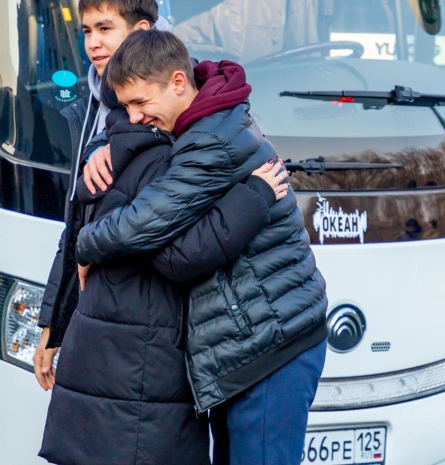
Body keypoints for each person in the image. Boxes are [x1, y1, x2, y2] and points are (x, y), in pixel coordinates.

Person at [77, 29, 329, 465]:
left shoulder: (209, 140)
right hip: (247, 345)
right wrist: (100, 146)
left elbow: (143, 222)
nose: (134, 117)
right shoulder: (201, 120)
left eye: (140, 103)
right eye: (126, 106)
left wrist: (85, 246)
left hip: (271, 347)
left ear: (178, 82)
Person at [39, 79, 290, 465]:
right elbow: (178, 255)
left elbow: (76, 236)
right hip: (144, 371)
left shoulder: (109, 154)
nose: (137, 113)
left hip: (109, 366)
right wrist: (253, 196)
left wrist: (54, 322)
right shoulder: (165, 159)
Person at [33, 0, 158, 389]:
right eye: (87, 31)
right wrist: (53, 325)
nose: (93, 43)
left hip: (145, 321)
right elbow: (76, 224)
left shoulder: (169, 101)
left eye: (105, 29)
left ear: (141, 31)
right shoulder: (87, 108)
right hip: (101, 310)